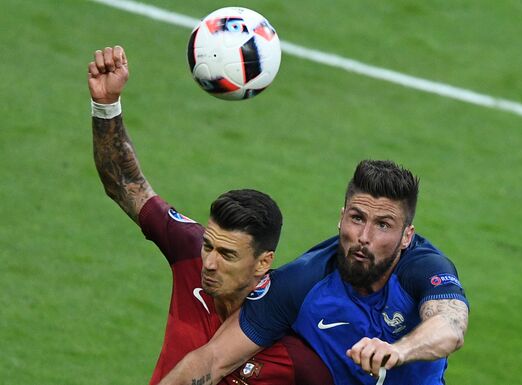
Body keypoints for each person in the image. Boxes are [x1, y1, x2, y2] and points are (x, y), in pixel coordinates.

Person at [88, 45, 333, 385]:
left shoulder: (295, 352)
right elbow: (126, 184)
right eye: (209, 247)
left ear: (264, 263)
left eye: (228, 254)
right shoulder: (190, 252)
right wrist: (105, 105)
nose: (210, 263)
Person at [158, 160, 470, 385]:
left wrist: (398, 351)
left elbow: (451, 325)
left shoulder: (423, 268)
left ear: (406, 236)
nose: (364, 236)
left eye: (383, 225)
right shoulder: (301, 282)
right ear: (341, 218)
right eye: (357, 218)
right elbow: (210, 361)